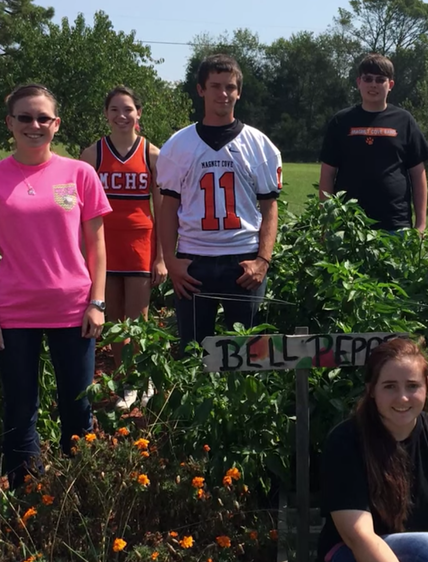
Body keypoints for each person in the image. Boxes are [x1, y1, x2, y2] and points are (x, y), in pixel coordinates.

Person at [0, 84, 111, 488]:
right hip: (12, 311)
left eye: (43, 118)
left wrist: (97, 302)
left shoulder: (79, 174)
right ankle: (29, 500)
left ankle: (82, 492)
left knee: (78, 407)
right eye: (25, 117)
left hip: (73, 308)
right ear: (10, 123)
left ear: (56, 124)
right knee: (19, 407)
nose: (34, 125)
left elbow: (97, 244)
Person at [156, 54, 282, 352]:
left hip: (243, 259)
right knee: (193, 353)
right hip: (194, 261)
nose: (223, 94)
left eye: (230, 87)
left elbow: (269, 209)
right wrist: (170, 261)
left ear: (239, 91)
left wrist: (263, 260)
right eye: (215, 86)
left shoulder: (259, 145)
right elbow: (167, 208)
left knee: (247, 354)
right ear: (200, 89)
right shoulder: (177, 145)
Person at [318, 338, 428, 562]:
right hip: (352, 553)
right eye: (390, 386)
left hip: (423, 555)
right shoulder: (345, 441)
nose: (403, 397)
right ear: (372, 390)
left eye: (412, 386)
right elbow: (358, 536)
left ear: (427, 385)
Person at [81, 86, 166, 409]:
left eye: (128, 109)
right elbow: (79, 209)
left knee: (138, 320)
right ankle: (126, 383)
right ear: (106, 114)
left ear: (138, 113)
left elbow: (161, 211)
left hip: (140, 245)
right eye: (114, 109)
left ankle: (144, 380)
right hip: (104, 246)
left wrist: (160, 258)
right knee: (114, 322)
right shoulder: (92, 155)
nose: (121, 115)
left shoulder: (152, 154)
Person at [319, 53, 428, 232]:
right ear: (359, 82)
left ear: (390, 85)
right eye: (368, 78)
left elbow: (418, 175)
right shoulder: (341, 121)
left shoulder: (404, 120)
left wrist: (421, 224)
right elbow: (327, 175)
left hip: (395, 224)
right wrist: (327, 222)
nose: (373, 84)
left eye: (380, 80)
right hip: (348, 224)